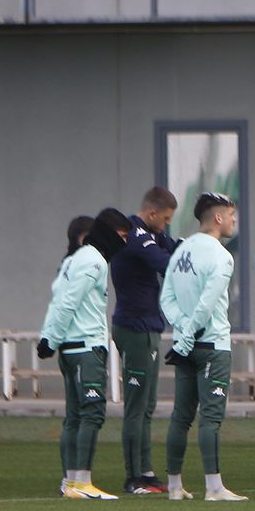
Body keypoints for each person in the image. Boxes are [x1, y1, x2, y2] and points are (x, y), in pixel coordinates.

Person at [159, 192, 246, 502]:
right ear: (218, 218)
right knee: (210, 418)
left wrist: (182, 333)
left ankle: (174, 486)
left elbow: (166, 298)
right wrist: (188, 335)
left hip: (184, 347)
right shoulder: (222, 256)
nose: (234, 221)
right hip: (211, 346)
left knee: (181, 416)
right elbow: (207, 304)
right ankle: (214, 488)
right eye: (231, 215)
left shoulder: (182, 249)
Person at [40, 208, 132, 500]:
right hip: (86, 348)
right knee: (91, 414)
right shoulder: (94, 260)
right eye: (122, 236)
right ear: (108, 234)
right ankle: (82, 483)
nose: (124, 243)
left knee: (74, 417)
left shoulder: (73, 259)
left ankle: (70, 482)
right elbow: (68, 302)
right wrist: (51, 338)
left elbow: (57, 300)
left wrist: (49, 338)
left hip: (70, 348)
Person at [110, 186, 178, 495]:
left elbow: (173, 250)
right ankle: (132, 476)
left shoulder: (152, 234)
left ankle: (146, 471)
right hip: (134, 327)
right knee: (136, 407)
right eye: (165, 219)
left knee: (148, 405)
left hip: (148, 326)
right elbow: (167, 264)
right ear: (151, 213)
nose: (166, 225)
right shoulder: (135, 236)